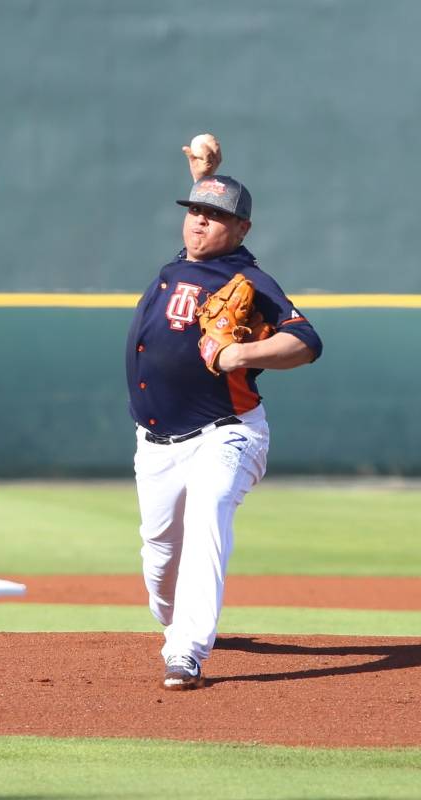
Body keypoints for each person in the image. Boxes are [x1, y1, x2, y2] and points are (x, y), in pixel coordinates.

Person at [124, 137, 323, 690]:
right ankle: (174, 621)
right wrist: (206, 176)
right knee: (160, 554)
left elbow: (307, 341)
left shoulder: (250, 282)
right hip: (157, 442)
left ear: (240, 230)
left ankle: (186, 650)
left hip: (227, 433)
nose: (200, 224)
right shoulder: (179, 265)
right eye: (195, 213)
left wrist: (245, 352)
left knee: (209, 514)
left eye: (216, 218)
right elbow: (204, 212)